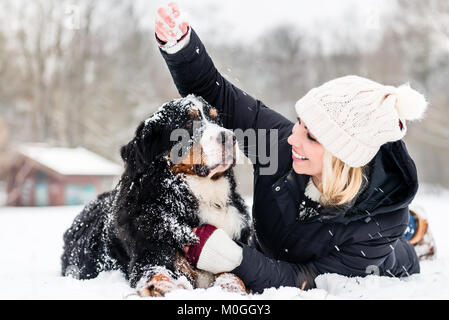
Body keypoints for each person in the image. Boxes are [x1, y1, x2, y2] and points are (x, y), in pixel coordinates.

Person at [154, 3, 435, 293]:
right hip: (275, 245)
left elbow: (304, 279)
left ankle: (415, 232)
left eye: (311, 136)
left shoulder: (380, 224)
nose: (293, 138)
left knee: (400, 254)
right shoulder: (278, 144)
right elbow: (216, 95)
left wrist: (235, 258)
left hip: (377, 252)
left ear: (343, 157)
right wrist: (181, 46)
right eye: (300, 122)